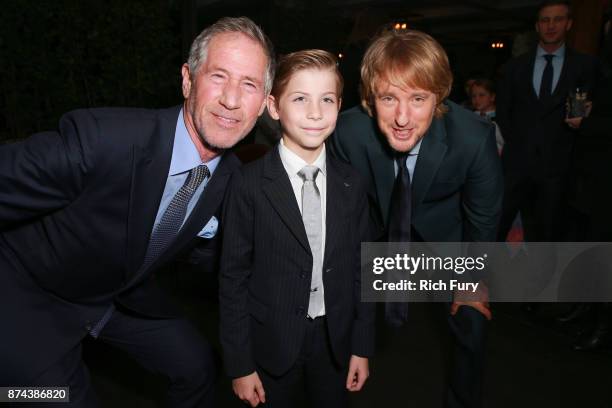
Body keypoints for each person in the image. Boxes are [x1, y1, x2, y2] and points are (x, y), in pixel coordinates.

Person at [0, 16, 274, 407]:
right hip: (30, 299)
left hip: (114, 296)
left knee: (196, 366)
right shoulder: (102, 141)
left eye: (248, 85)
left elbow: (215, 257)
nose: (232, 100)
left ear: (263, 102)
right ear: (187, 80)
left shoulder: (233, 180)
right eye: (218, 76)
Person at [330, 28, 503, 408]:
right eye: (388, 98)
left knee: (472, 322)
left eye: (418, 98)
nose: (403, 118)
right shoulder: (346, 133)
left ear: (438, 97)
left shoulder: (473, 138)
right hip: (375, 229)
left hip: (446, 234)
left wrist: (474, 280)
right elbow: (340, 214)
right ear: (369, 99)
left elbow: (484, 219)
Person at [219, 50, 375, 408]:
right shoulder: (248, 184)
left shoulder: (352, 183)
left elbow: (362, 270)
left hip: (335, 340)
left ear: (339, 104)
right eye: (300, 98)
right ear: (274, 107)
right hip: (270, 343)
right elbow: (232, 279)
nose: (315, 112)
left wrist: (361, 346)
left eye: (327, 100)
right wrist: (240, 365)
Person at [495, 0, 598, 242]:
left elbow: (595, 113)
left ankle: (541, 280)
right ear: (537, 26)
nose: (551, 26)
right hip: (515, 166)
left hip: (559, 170)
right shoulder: (514, 67)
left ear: (569, 24)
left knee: (547, 236)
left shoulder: (587, 66)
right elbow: (503, 112)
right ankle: (482, 277)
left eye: (558, 19)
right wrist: (521, 145)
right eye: (545, 20)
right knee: (496, 228)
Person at [563, 11, 612, 351]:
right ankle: (587, 310)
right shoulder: (602, 72)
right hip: (588, 175)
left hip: (606, 182)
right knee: (587, 246)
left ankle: (603, 325)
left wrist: (590, 123)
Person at [470, 78, 504, 153]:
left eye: (481, 95)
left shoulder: (502, 117)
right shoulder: (471, 116)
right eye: (473, 96)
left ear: (492, 97)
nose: (477, 99)